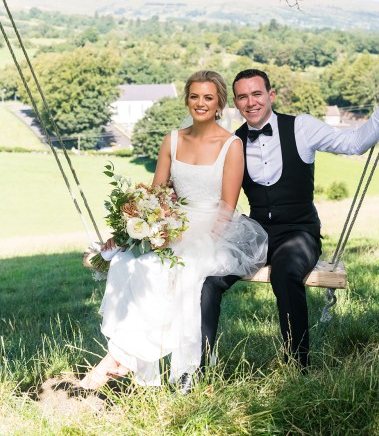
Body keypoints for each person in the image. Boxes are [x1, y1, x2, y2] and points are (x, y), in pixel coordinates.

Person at [79, 70, 268, 390]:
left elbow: (226, 207)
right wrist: (135, 230)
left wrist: (193, 240)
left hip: (214, 232)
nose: (201, 103)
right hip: (173, 226)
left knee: (165, 272)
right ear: (187, 100)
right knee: (133, 265)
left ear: (220, 104)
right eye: (194, 96)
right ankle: (126, 360)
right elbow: (155, 197)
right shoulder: (173, 140)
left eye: (209, 97)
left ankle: (118, 362)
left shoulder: (231, 145)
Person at [200, 68, 379, 370]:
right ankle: (200, 363)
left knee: (285, 274)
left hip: (299, 233)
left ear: (271, 95)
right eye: (242, 97)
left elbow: (354, 143)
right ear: (237, 104)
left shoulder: (301, 127)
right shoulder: (234, 142)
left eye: (257, 94)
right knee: (210, 279)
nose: (251, 102)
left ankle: (297, 366)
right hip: (256, 234)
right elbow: (209, 189)